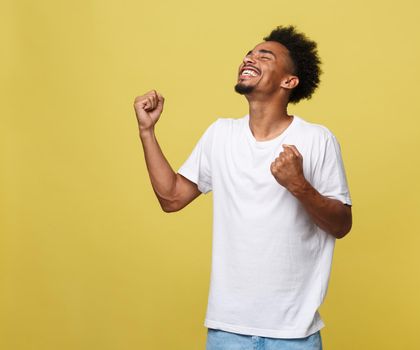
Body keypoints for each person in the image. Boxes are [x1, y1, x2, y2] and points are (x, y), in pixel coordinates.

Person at [133, 25, 353, 350]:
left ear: (289, 81)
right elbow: (172, 197)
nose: (250, 58)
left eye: (265, 55)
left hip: (294, 335)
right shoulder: (220, 135)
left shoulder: (316, 140)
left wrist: (299, 185)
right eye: (249, 53)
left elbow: (341, 225)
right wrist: (147, 132)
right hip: (227, 331)